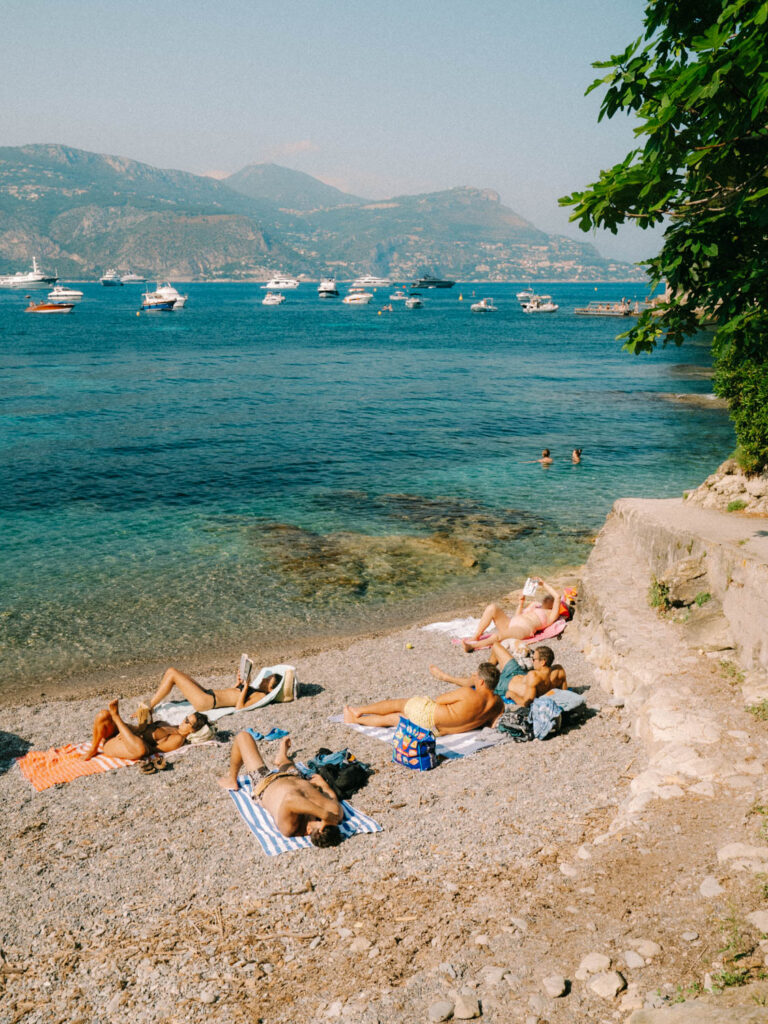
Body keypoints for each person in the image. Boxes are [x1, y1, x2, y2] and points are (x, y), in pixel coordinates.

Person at [218, 733, 343, 847]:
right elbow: (332, 798)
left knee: (243, 737)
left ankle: (231, 779)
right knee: (291, 769)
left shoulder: (290, 827)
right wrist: (324, 785)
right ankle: (282, 758)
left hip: (265, 782)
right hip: (296, 777)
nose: (322, 818)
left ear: (309, 830)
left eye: (320, 821)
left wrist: (325, 815)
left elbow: (291, 799)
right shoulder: (333, 818)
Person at [343, 663, 504, 736]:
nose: (472, 677)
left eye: (475, 676)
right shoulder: (498, 704)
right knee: (394, 719)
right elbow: (491, 724)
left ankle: (359, 711)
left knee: (397, 704)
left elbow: (440, 699)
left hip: (429, 716)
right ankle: (358, 721)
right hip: (437, 732)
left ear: (481, 682)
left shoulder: (469, 693)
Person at [82, 699, 209, 761]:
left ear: (192, 730)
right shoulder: (173, 726)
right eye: (186, 718)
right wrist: (145, 715)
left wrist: (131, 737)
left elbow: (151, 750)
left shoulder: (178, 739)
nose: (183, 721)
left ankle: (116, 716)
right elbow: (150, 730)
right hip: (128, 734)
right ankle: (94, 747)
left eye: (187, 722)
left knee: (140, 750)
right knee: (103, 715)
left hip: (127, 745)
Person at [462, 577, 564, 652]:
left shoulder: (551, 615)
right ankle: (476, 636)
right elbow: (517, 616)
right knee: (492, 608)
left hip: (522, 629)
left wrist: (543, 584)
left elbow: (558, 597)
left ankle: (472, 647)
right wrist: (521, 603)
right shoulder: (535, 606)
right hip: (511, 623)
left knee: (498, 636)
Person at [140, 664, 288, 715]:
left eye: (269, 680)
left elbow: (240, 707)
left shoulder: (261, 696)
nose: (265, 678)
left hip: (207, 701)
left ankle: (150, 706)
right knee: (176, 673)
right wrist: (238, 684)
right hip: (209, 694)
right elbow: (232, 695)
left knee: (172, 673)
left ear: (271, 688)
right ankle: (150, 705)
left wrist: (246, 687)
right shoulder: (255, 688)